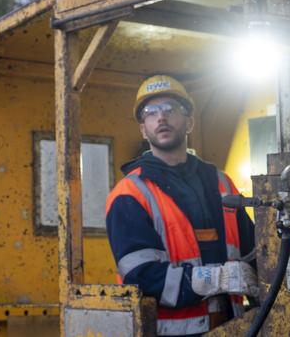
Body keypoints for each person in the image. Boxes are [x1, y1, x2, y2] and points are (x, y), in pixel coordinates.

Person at [105, 75, 257, 336]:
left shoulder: (222, 183)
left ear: (189, 122)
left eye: (170, 109)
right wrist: (214, 279)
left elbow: (254, 251)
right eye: (151, 113)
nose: (160, 118)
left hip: (234, 327)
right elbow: (141, 276)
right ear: (143, 129)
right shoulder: (129, 194)